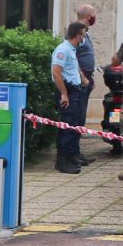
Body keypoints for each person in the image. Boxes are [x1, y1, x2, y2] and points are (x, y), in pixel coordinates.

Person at [51, 21, 88, 175]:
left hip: (75, 90)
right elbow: (56, 72)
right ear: (78, 36)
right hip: (67, 91)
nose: (84, 38)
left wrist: (83, 78)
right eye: (84, 34)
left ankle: (72, 157)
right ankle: (63, 162)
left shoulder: (71, 50)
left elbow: (74, 67)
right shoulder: (62, 50)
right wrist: (64, 94)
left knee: (74, 125)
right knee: (67, 127)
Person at [71, 4, 100, 166]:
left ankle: (77, 152)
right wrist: (83, 77)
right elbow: (73, 56)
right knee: (78, 116)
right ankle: (73, 153)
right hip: (81, 80)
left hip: (87, 78)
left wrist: (91, 76)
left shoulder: (85, 33)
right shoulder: (78, 32)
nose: (95, 17)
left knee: (81, 117)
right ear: (89, 15)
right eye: (94, 14)